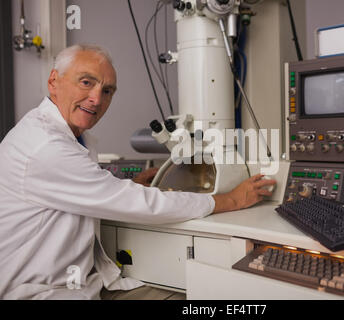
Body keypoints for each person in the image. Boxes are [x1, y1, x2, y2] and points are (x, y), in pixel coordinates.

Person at [0, 44, 276, 300]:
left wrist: (129, 184)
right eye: (86, 82)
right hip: (40, 293)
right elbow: (131, 202)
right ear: (54, 82)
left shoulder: (70, 137)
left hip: (80, 282)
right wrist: (230, 200)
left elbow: (87, 192)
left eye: (107, 91)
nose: (96, 99)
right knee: (204, 297)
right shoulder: (45, 145)